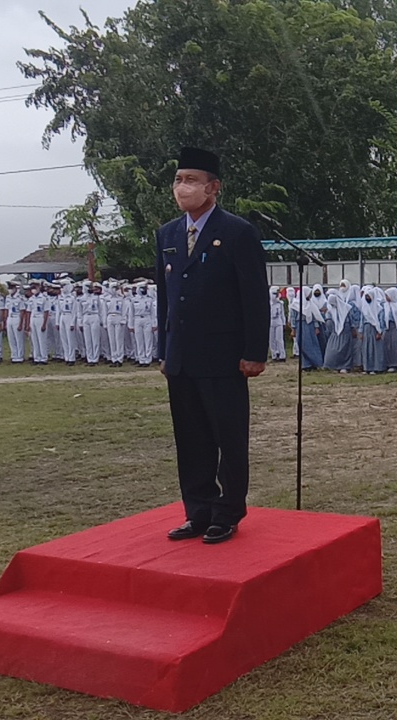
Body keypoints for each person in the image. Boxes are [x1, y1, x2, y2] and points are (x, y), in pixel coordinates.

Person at [156, 146, 269, 545]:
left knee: (228, 437)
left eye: (191, 180)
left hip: (223, 356)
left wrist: (256, 351)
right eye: (178, 179)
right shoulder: (168, 233)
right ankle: (198, 510)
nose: (181, 187)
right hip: (182, 357)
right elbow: (165, 299)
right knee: (191, 439)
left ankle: (227, 511)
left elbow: (255, 297)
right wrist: (163, 349)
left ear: (213, 187)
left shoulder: (237, 232)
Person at [323, 289, 358, 373]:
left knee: (345, 351)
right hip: (335, 334)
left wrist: (353, 329)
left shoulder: (346, 309)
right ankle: (333, 366)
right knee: (332, 350)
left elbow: (351, 320)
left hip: (345, 333)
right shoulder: (331, 310)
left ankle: (345, 366)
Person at [104, 281, 133, 367]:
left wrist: (123, 320)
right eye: (114, 288)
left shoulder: (121, 298)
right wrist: (105, 323)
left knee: (118, 339)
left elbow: (124, 310)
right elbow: (104, 311)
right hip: (110, 317)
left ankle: (119, 359)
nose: (115, 290)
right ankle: (114, 358)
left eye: (117, 288)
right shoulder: (107, 299)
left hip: (118, 317)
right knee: (112, 340)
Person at [81, 283, 105, 367]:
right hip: (86, 317)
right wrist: (80, 322)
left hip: (94, 316)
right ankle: (89, 358)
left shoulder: (96, 297)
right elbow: (79, 311)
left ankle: (95, 359)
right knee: (87, 339)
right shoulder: (81, 298)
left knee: (95, 338)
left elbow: (100, 309)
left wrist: (102, 320)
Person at [3, 282, 27, 364]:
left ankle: (20, 356)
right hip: (10, 318)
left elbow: (22, 311)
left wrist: (21, 323)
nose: (10, 289)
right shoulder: (8, 297)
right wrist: (5, 321)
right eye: (9, 287)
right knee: (11, 339)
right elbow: (6, 309)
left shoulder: (20, 298)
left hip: (17, 318)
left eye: (11, 288)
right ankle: (14, 356)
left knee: (19, 339)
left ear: (15, 288)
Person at [29, 283, 52, 365]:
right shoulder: (31, 299)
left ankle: (43, 358)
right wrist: (28, 323)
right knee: (34, 340)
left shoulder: (44, 298)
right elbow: (29, 311)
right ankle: (36, 358)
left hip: (40, 318)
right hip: (33, 318)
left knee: (42, 339)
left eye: (34, 287)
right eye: (32, 288)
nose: (33, 289)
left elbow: (46, 312)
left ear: (38, 287)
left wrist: (44, 324)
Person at [268, 286, 287, 362]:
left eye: (277, 294)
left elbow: (282, 314)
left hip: (278, 322)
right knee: (272, 340)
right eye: (274, 294)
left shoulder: (280, 303)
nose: (275, 295)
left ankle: (282, 355)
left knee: (279, 339)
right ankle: (274, 354)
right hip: (271, 322)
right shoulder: (268, 303)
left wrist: (284, 323)